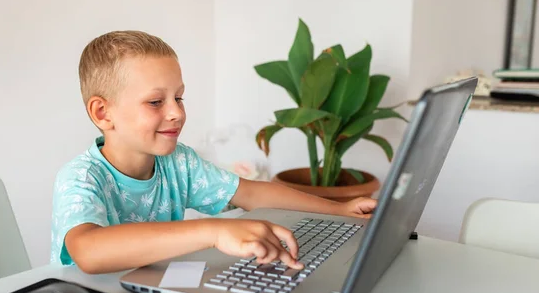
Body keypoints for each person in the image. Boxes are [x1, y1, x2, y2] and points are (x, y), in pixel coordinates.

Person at [51, 30, 377, 274]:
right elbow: (88, 250)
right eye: (156, 101)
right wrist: (215, 231)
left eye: (178, 98)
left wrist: (340, 210)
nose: (177, 113)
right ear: (102, 113)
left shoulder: (179, 162)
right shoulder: (80, 178)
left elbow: (251, 194)